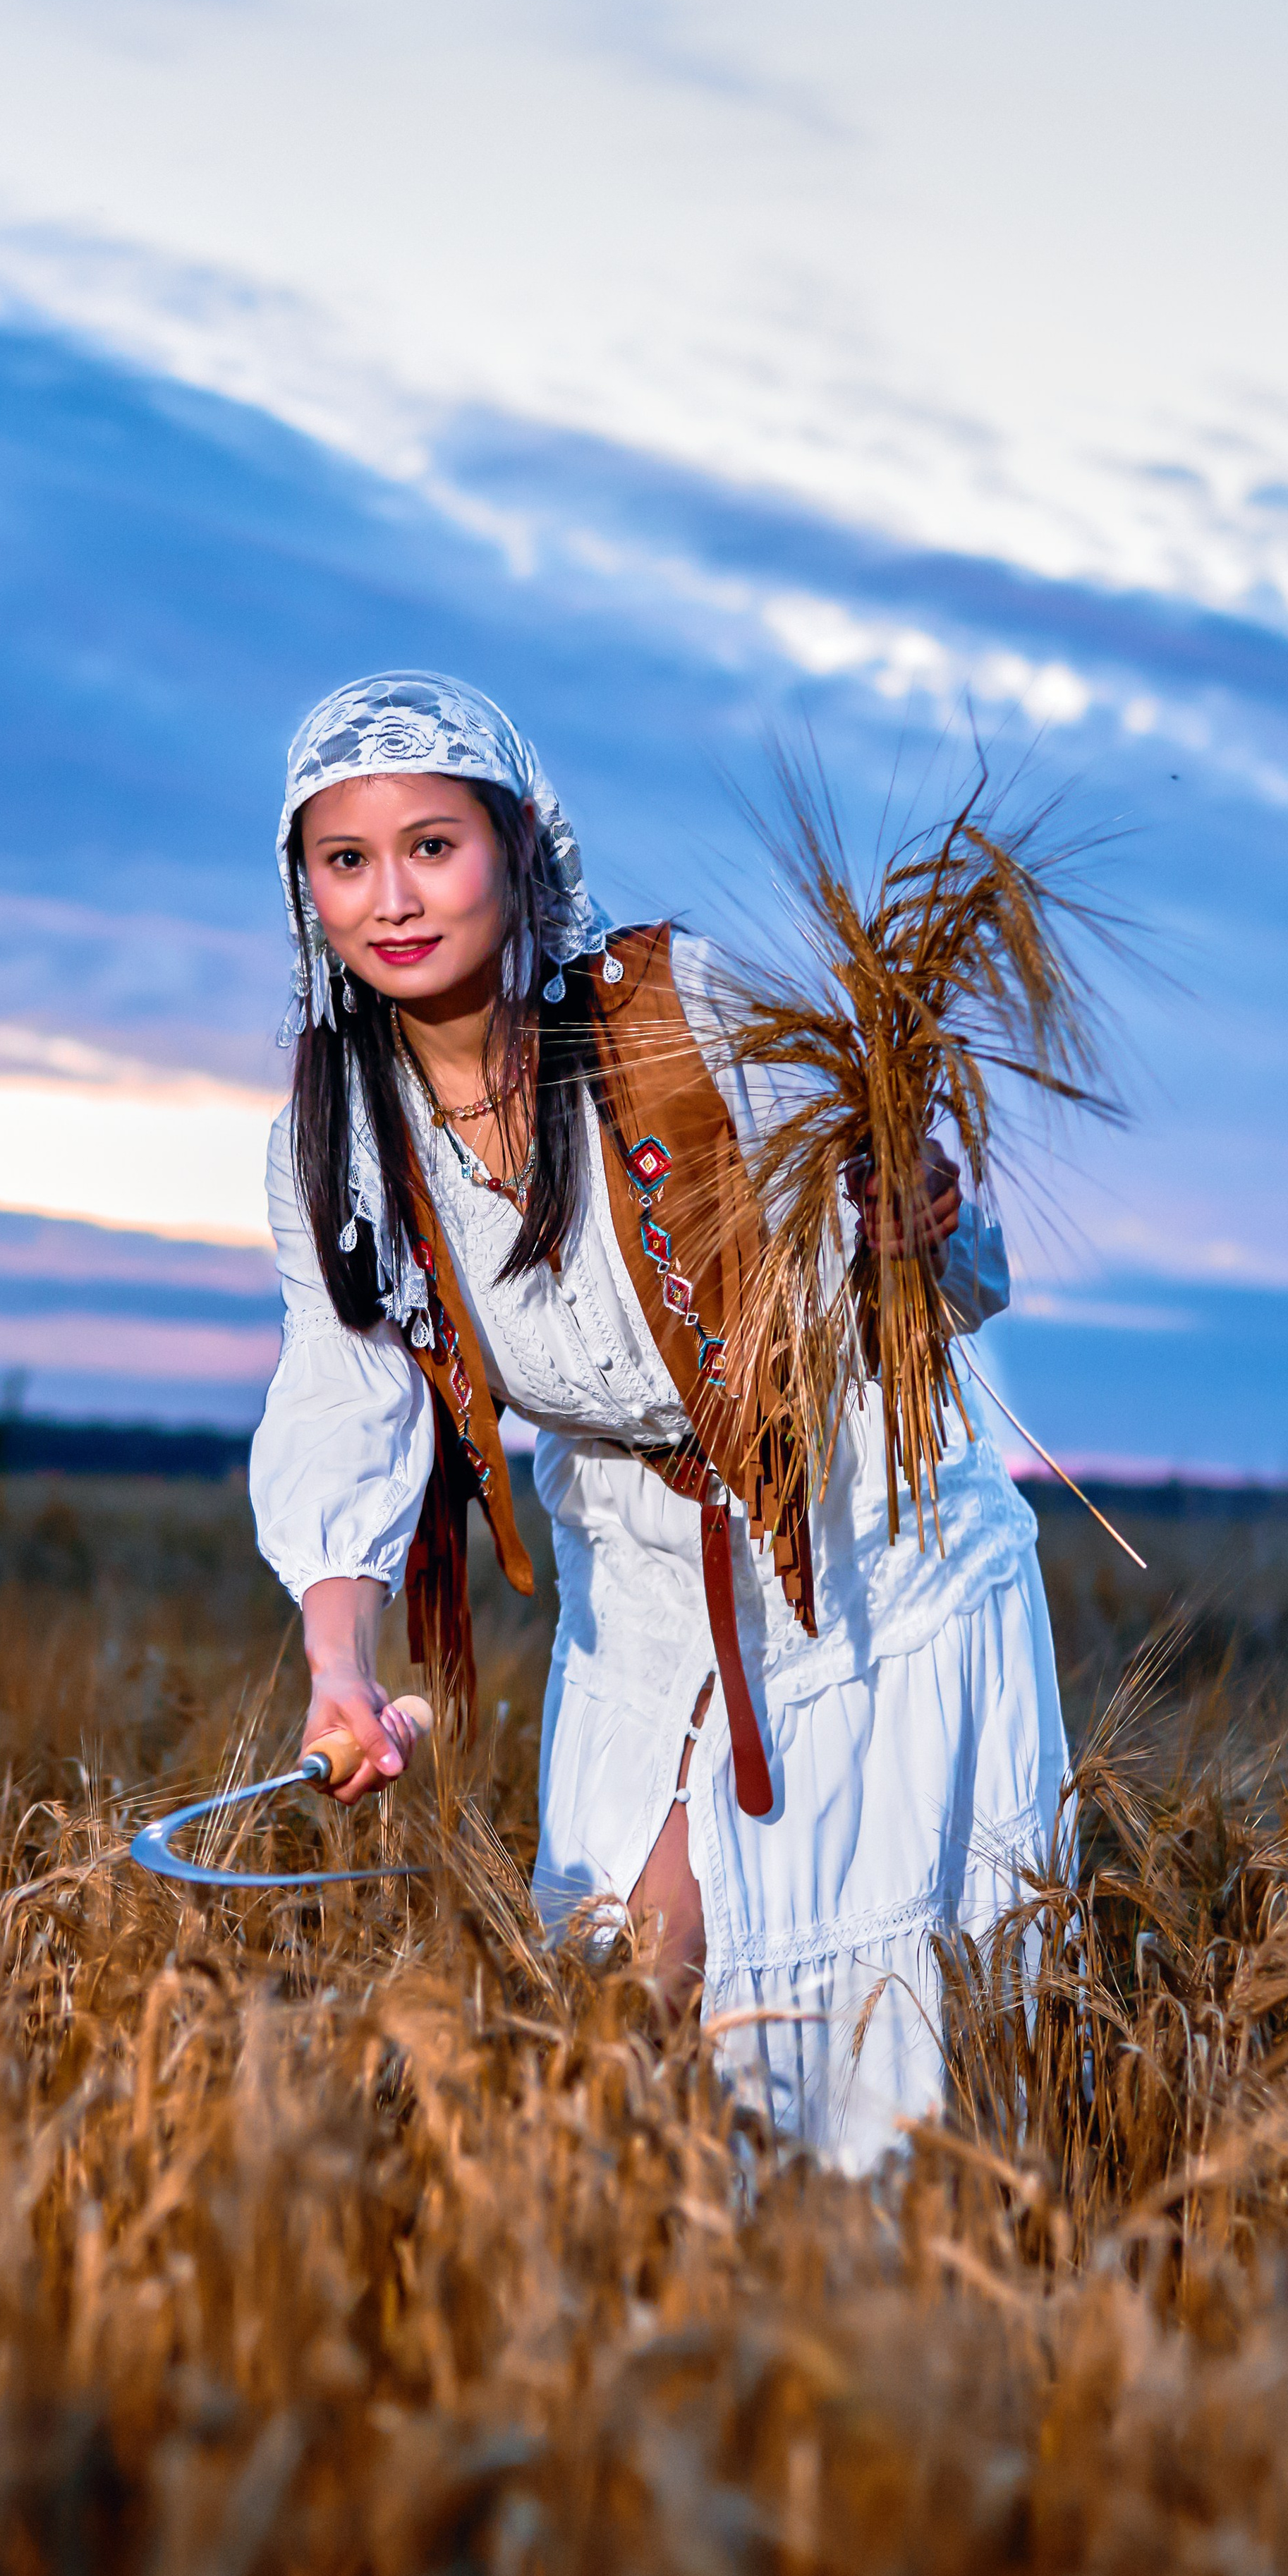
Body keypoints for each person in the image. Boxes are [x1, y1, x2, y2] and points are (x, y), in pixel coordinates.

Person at [248, 672, 1066, 2167]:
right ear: (302, 884)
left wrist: (914, 1215)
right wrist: (337, 1667)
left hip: (858, 1556)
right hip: (632, 1578)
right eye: (344, 859)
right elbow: (347, 1399)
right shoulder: (336, 1137)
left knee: (787, 2051)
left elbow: (918, 1254)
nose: (391, 898)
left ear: (516, 847)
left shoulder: (675, 1016)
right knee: (610, 2016)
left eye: (431, 845)